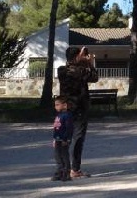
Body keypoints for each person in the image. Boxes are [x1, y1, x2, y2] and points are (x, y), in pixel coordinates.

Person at [58, 46, 99, 178]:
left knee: (64, 138)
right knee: (78, 138)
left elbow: (71, 66)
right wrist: (89, 63)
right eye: (81, 55)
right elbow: (95, 77)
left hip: (65, 108)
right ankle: (75, 169)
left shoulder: (62, 70)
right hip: (79, 108)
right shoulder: (80, 70)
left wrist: (80, 59)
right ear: (76, 57)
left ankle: (63, 167)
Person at [51, 95, 73, 181]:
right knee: (57, 156)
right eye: (55, 105)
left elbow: (69, 128)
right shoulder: (59, 115)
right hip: (57, 139)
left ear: (65, 105)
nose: (55, 107)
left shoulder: (67, 116)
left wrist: (66, 139)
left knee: (64, 156)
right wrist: (54, 139)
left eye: (57, 104)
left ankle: (66, 173)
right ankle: (59, 172)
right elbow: (56, 128)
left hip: (64, 140)